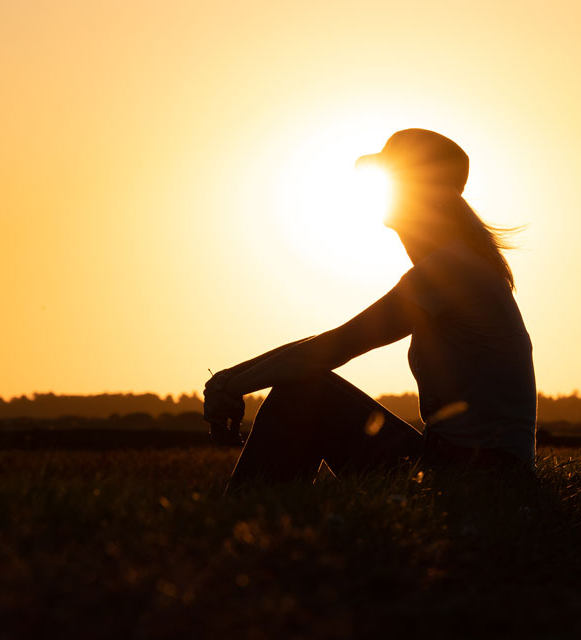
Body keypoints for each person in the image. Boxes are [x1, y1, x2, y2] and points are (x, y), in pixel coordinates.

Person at [203, 128, 537, 488]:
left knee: (303, 393)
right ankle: (252, 522)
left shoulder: (449, 270)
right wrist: (231, 379)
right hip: (471, 467)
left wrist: (233, 385)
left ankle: (245, 524)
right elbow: (324, 344)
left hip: (477, 475)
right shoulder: (457, 264)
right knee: (305, 386)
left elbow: (336, 346)